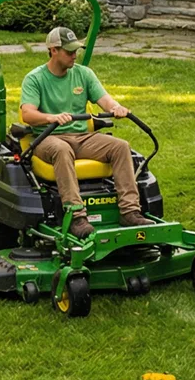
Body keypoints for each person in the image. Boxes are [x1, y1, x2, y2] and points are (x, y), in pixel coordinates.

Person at [19, 26, 153, 238]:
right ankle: (76, 216)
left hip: (82, 137)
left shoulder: (83, 74)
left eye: (76, 51)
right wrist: (51, 118)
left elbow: (105, 100)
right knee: (62, 150)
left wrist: (115, 108)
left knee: (120, 146)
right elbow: (27, 113)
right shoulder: (35, 79)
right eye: (69, 51)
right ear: (53, 50)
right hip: (48, 138)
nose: (74, 55)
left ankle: (130, 211)